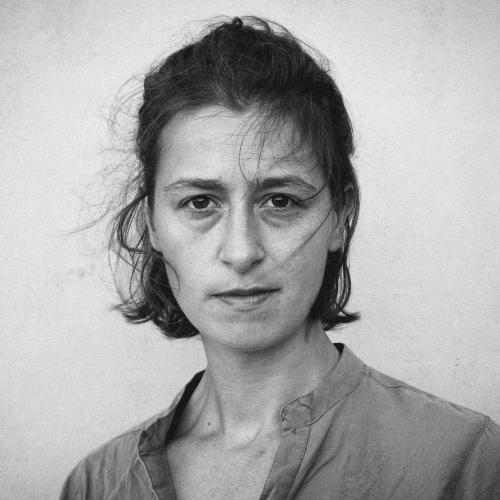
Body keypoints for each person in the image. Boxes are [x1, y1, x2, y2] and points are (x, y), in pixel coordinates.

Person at [60, 16, 500, 500]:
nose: (241, 252)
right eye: (200, 202)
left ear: (339, 216)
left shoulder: (461, 462)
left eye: (280, 201)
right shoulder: (97, 484)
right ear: (152, 225)